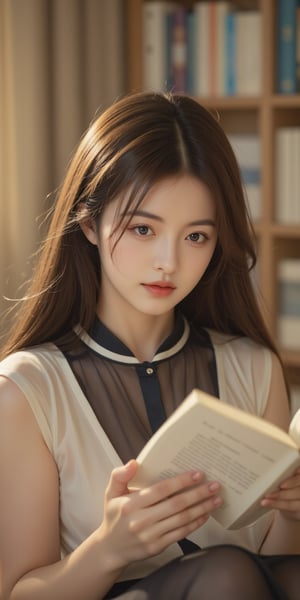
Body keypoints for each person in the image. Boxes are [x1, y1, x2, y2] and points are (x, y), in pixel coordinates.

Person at [0, 91, 300, 600]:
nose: (169, 262)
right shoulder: (26, 391)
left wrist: (294, 513)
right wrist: (110, 548)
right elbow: (15, 592)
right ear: (89, 222)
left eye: (196, 237)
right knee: (226, 572)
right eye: (143, 228)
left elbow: (275, 567)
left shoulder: (253, 367)